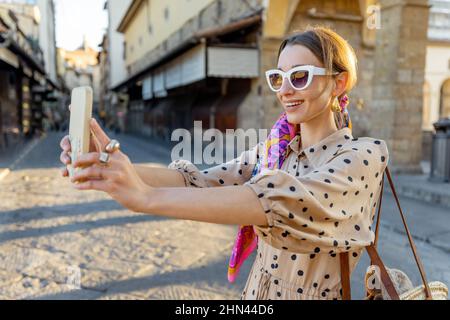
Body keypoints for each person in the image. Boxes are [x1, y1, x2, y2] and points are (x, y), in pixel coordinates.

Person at [59, 26, 389, 300]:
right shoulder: (274, 149)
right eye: (278, 78)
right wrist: (112, 165)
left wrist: (145, 199)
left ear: (339, 82)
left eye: (300, 76)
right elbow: (200, 182)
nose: (285, 90)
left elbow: (272, 200)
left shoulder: (363, 157)